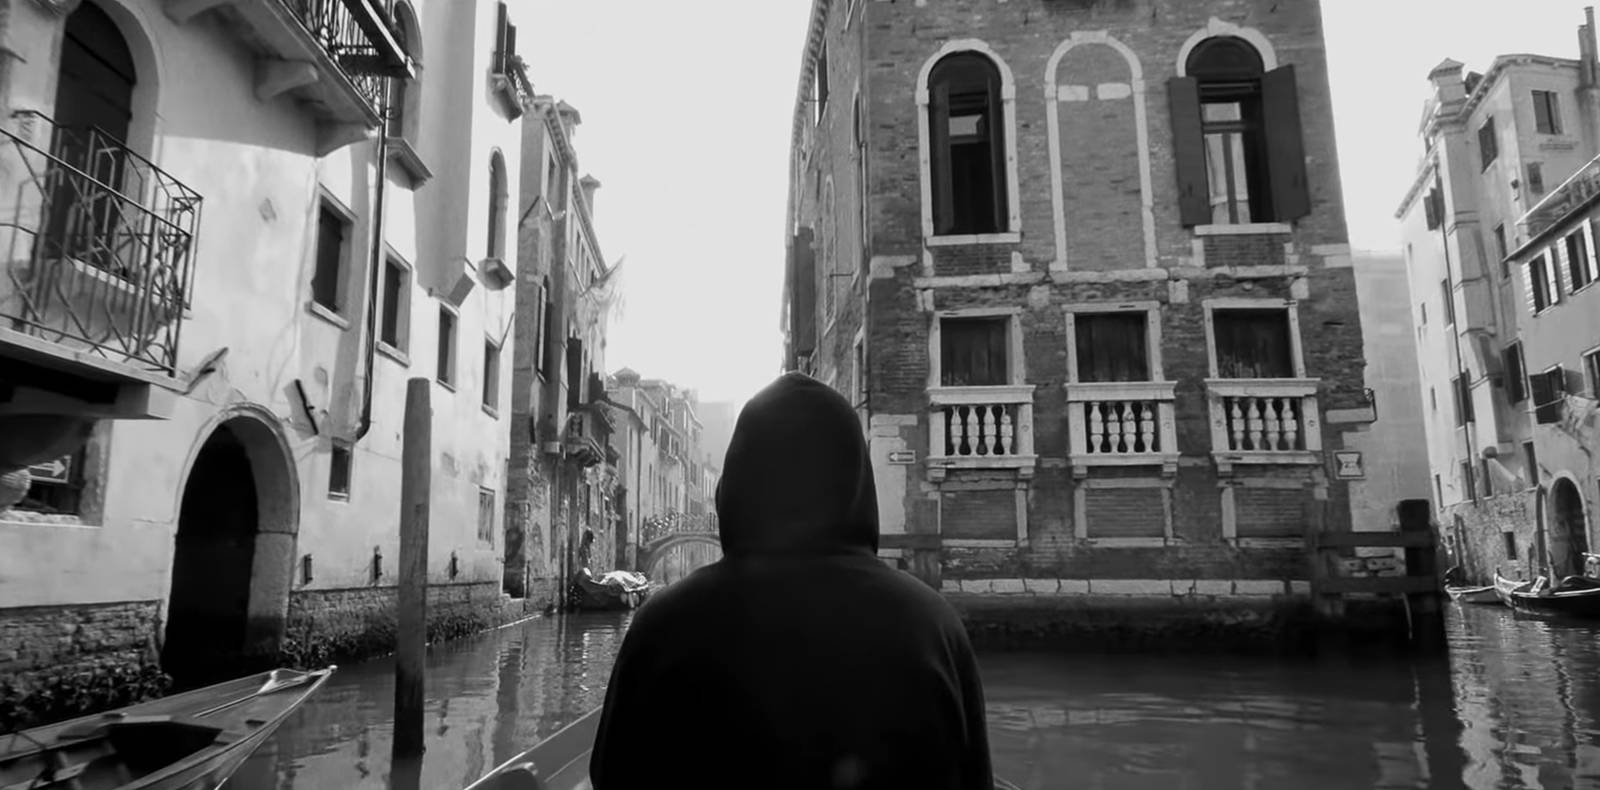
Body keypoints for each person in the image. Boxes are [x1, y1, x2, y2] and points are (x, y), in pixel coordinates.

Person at [589, 372, 995, 790]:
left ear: (737, 483)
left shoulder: (663, 625)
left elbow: (612, 775)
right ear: (856, 483)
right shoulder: (934, 626)